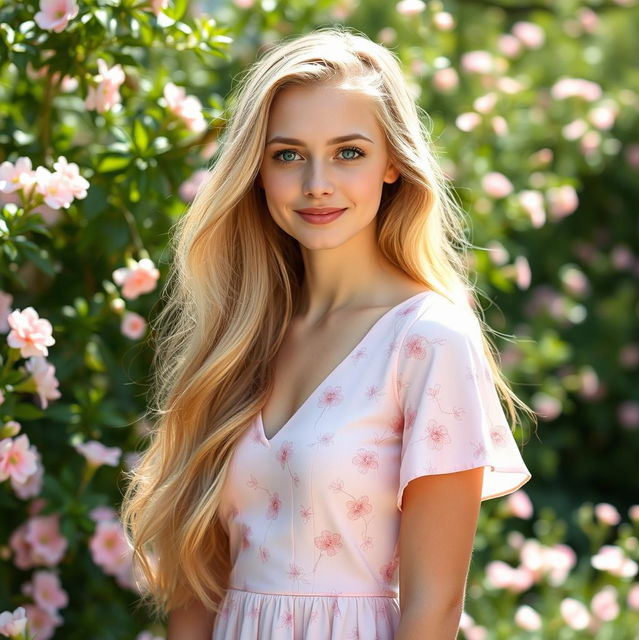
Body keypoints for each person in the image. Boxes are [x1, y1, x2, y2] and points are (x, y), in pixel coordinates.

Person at [120, 26, 534, 640]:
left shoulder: (427, 341)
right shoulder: (240, 335)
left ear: (392, 162)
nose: (317, 183)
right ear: (256, 172)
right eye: (288, 154)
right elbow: (199, 582)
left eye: (349, 152)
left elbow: (435, 606)